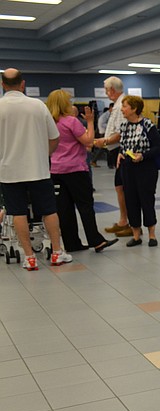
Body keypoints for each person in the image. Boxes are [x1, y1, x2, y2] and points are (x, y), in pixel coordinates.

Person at [0, 68, 72, 271]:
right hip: (38, 169)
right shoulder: (37, 106)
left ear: (2, 84)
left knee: (18, 212)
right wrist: (44, 155)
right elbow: (54, 137)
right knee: (49, 210)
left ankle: (29, 257)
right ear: (23, 84)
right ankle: (57, 253)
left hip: (9, 171)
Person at [45, 89, 118, 254]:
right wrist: (90, 122)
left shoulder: (48, 122)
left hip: (55, 169)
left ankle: (72, 243)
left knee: (64, 208)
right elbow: (88, 141)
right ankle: (96, 240)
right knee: (85, 206)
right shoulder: (71, 121)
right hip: (75, 170)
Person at [116, 95, 160, 247]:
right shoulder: (124, 126)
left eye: (125, 106)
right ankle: (136, 235)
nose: (122, 109)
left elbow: (158, 147)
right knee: (131, 200)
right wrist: (120, 153)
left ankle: (152, 235)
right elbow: (123, 145)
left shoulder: (148, 125)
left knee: (147, 199)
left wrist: (143, 155)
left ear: (134, 109)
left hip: (146, 168)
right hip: (128, 168)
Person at [92, 76, 132, 237]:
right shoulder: (117, 104)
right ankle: (124, 220)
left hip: (121, 151)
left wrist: (106, 140)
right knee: (120, 187)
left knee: (122, 187)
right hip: (115, 150)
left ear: (112, 90)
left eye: (107, 90)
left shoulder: (123, 104)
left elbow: (122, 132)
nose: (106, 93)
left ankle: (127, 222)